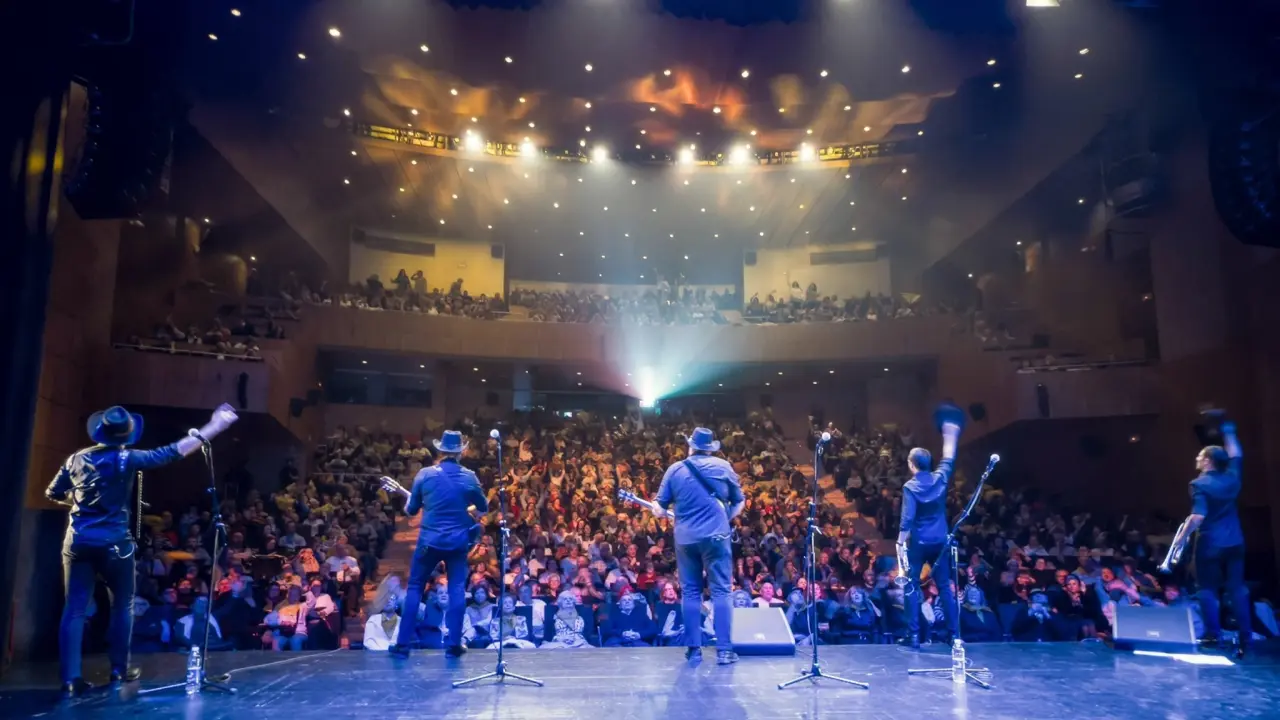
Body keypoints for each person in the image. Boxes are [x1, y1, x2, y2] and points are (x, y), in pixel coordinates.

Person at [46, 404, 239, 697]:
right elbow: (172, 452)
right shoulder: (126, 458)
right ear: (125, 435)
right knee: (122, 605)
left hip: (78, 541)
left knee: (74, 609)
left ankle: (70, 680)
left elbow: (54, 493)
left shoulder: (77, 458)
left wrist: (83, 503)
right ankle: (118, 670)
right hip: (114, 543)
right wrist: (214, 426)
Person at [381, 429, 488, 658]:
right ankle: (454, 644)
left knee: (415, 588)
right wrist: (464, 508)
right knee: (457, 589)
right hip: (457, 543)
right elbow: (483, 508)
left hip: (429, 542)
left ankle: (402, 645)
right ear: (461, 452)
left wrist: (406, 495)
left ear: (440, 451)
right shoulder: (469, 476)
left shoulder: (425, 474)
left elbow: (411, 510)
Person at [651, 427, 745, 666]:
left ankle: (694, 650)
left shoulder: (675, 469)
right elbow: (739, 501)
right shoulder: (723, 467)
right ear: (710, 448)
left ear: (690, 446)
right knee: (721, 591)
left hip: (686, 539)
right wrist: (724, 519)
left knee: (691, 592)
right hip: (716, 537)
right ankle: (724, 651)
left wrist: (657, 508)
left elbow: (659, 509)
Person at [1170, 417, 1250, 657]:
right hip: (1235, 541)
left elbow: (1197, 517)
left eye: (1200, 456)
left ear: (1208, 461)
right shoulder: (1232, 478)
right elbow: (1236, 455)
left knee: (1207, 588)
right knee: (1237, 588)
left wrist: (1181, 538)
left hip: (1210, 543)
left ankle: (1214, 635)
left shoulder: (1199, 484)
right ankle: (1246, 637)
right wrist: (1229, 432)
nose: (1197, 458)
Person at [897, 416, 961, 649]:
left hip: (919, 543)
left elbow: (907, 519)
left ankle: (913, 635)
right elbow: (948, 458)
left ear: (912, 465)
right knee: (944, 587)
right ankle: (954, 636)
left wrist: (899, 543)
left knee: (911, 585)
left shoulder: (910, 486)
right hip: (940, 541)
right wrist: (950, 434)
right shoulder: (940, 478)